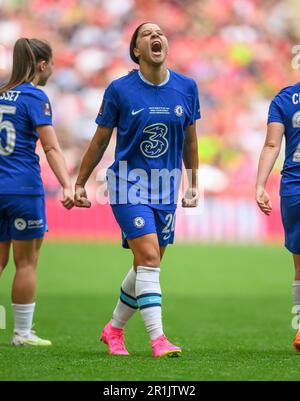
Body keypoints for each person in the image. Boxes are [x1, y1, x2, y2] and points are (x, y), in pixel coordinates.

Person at [75, 22, 200, 357]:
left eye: (160, 33)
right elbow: (101, 139)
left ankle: (113, 330)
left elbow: (189, 138)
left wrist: (193, 182)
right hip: (127, 184)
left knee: (148, 263)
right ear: (136, 50)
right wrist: (79, 182)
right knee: (148, 258)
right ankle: (158, 339)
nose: (156, 36)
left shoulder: (187, 88)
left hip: (166, 187)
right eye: (147, 34)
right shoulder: (120, 90)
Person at [0, 38, 74, 346]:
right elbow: (51, 147)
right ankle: (22, 333)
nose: (53, 70)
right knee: (26, 262)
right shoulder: (35, 97)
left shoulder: (1, 94)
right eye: (52, 64)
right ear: (41, 65)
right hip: (23, 190)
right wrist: (68, 185)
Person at [256, 81, 300, 352]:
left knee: (299, 266)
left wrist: (260, 185)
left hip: (294, 188)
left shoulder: (284, 98)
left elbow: (272, 144)